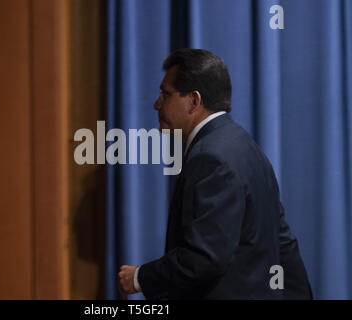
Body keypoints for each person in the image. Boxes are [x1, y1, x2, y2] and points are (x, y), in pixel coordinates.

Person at [118, 49, 313, 299]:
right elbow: (282, 242)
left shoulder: (210, 157)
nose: (157, 104)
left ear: (194, 101)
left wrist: (139, 277)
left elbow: (205, 258)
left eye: (165, 94)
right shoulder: (244, 145)